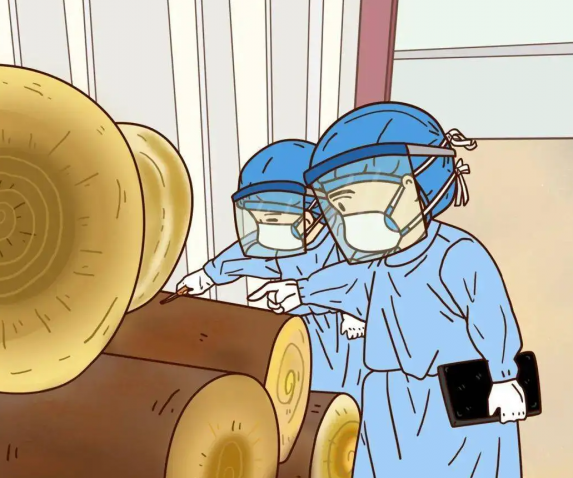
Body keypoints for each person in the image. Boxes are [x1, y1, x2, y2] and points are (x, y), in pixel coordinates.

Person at [249, 103, 525, 477]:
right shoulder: (377, 265)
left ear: (409, 186)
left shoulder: (457, 255)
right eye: (340, 209)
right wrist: (300, 291)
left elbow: (491, 316)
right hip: (386, 400)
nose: (349, 221)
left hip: (452, 399)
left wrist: (504, 376)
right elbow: (350, 283)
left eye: (353, 203)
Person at [177, 139, 368, 403]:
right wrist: (208, 275)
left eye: (273, 219)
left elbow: (361, 280)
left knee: (341, 394)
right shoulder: (281, 246)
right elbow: (246, 255)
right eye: (259, 219)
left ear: (312, 212)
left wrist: (353, 313)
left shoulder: (345, 242)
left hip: (339, 335)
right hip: (299, 329)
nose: (265, 230)